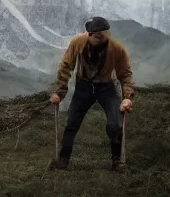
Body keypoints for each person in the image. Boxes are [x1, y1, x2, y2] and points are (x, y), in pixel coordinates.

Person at [48, 16, 134, 171]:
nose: (88, 36)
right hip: (83, 87)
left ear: (103, 37)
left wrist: (126, 98)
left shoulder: (117, 49)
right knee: (72, 124)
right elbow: (66, 66)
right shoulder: (78, 42)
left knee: (114, 124)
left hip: (106, 87)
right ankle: (63, 160)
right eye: (89, 33)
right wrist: (59, 93)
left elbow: (125, 74)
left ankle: (117, 161)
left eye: (93, 35)